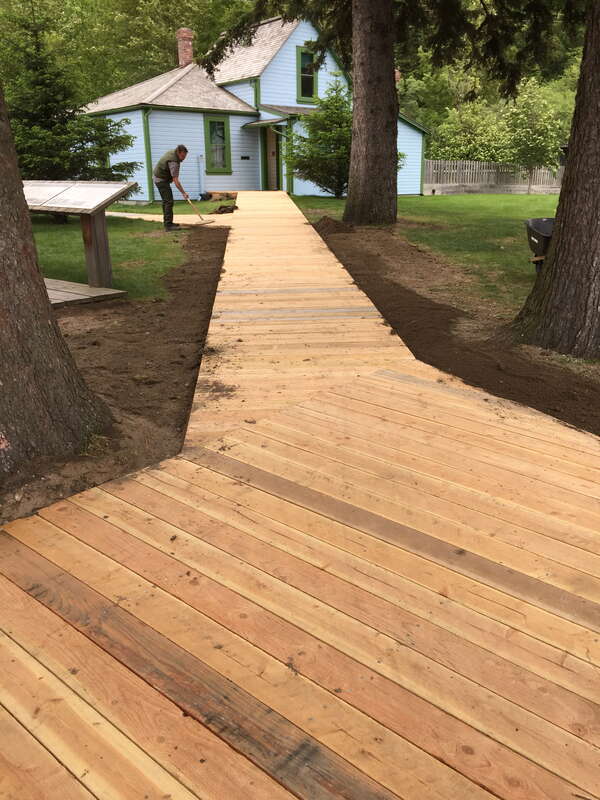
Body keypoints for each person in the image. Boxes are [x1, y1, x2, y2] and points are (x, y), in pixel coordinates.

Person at [153, 145, 189, 231]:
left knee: (166, 201)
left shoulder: (173, 153)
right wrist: (183, 193)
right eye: (182, 156)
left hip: (159, 177)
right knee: (168, 201)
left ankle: (168, 222)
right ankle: (168, 225)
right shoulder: (174, 162)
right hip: (160, 179)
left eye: (185, 156)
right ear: (178, 152)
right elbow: (176, 181)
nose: (183, 159)